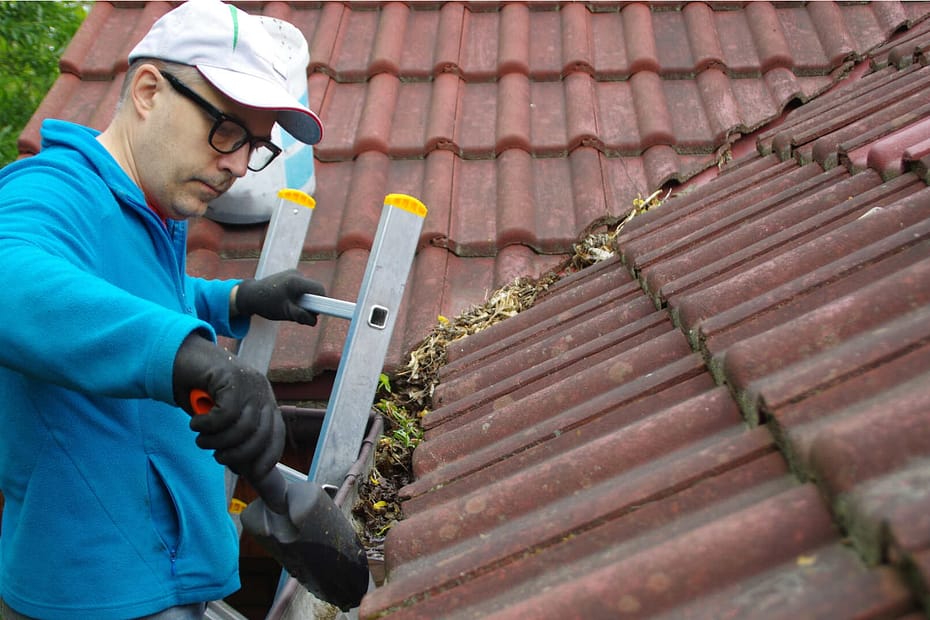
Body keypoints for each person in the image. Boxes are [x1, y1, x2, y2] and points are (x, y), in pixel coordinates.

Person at [0, 1, 327, 617]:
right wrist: (187, 356)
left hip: (163, 573)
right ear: (149, 91)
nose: (238, 164)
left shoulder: (148, 206)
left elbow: (133, 298)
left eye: (255, 145)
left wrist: (231, 298)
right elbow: (11, 276)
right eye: (227, 129)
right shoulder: (54, 192)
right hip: (100, 594)